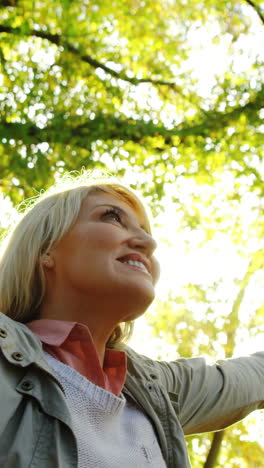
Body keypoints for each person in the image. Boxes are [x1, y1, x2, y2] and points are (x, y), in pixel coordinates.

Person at [0, 172, 263, 468]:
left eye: (146, 231)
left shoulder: (156, 391)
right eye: (112, 217)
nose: (148, 242)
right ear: (45, 249)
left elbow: (255, 375)